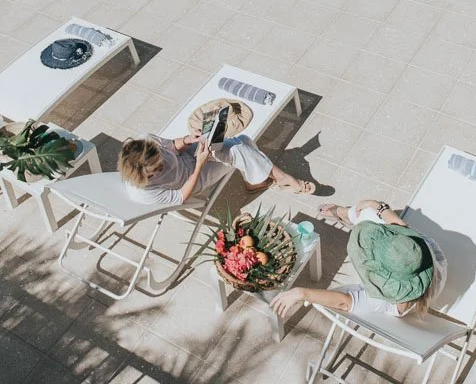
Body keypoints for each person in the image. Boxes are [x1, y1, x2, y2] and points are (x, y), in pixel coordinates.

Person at [270, 198, 447, 320]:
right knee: (371, 213)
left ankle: (346, 213)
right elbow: (398, 225)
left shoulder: (385, 301)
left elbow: (345, 302)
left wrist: (301, 293)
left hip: (420, 274)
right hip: (433, 259)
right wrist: (374, 205)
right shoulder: (411, 250)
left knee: (369, 214)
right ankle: (346, 214)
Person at [117, 133, 315, 206]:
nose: (162, 164)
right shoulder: (142, 192)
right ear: (144, 176)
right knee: (240, 147)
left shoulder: (146, 143)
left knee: (244, 141)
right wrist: (200, 164)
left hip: (188, 157)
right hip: (193, 179)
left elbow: (172, 146)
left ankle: (255, 182)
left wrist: (188, 140)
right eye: (158, 168)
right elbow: (181, 196)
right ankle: (283, 178)